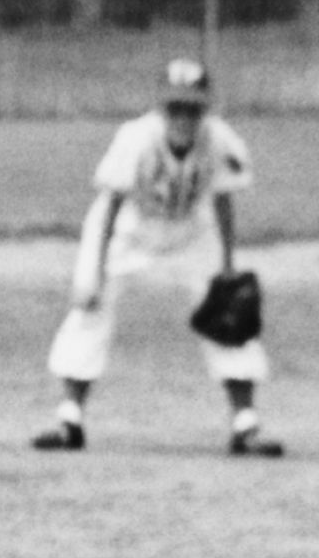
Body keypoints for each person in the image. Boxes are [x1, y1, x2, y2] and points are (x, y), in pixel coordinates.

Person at [38, 54, 272, 456]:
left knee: (227, 312)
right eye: (174, 106)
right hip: (127, 232)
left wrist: (228, 266)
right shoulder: (136, 137)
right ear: (161, 106)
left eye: (192, 107)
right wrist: (93, 272)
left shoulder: (220, 140)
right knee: (89, 310)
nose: (183, 115)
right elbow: (111, 204)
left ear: (205, 107)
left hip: (190, 234)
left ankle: (245, 424)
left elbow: (224, 200)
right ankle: (69, 419)